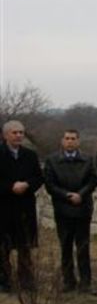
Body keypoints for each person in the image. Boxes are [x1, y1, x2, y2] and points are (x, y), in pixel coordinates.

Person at [43, 129, 97, 293]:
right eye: (67, 138)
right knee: (65, 246)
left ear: (78, 141)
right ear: (62, 141)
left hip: (82, 208)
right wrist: (67, 195)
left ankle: (85, 283)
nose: (70, 141)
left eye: (73, 138)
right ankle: (68, 281)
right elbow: (49, 184)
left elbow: (93, 180)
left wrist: (80, 194)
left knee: (83, 247)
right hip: (62, 209)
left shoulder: (88, 160)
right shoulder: (52, 160)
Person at [0, 120, 44, 293]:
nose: (19, 135)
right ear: (5, 135)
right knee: (3, 247)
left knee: (25, 246)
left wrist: (26, 184)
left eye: (21, 132)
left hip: (25, 207)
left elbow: (38, 177)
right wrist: (11, 186)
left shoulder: (30, 155)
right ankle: (4, 281)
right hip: (3, 208)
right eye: (15, 132)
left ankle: (26, 281)